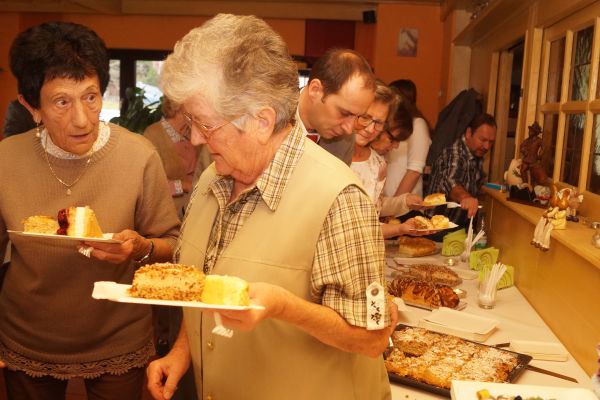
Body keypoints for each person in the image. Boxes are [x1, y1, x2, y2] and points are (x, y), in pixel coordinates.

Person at [146, 14, 397, 400]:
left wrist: (285, 307)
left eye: (206, 124)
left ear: (261, 122)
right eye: (192, 122)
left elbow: (373, 338)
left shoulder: (340, 199)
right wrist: (183, 351)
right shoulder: (212, 180)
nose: (195, 137)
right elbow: (205, 283)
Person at [0, 21, 180, 399]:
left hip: (118, 336)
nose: (82, 119)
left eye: (91, 97)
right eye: (62, 102)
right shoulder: (6, 160)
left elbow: (172, 243)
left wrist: (140, 248)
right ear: (31, 107)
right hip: (28, 337)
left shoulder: (138, 156)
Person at [351, 80, 423, 238]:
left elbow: (373, 213)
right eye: (365, 117)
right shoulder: (334, 153)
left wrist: (404, 205)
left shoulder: (378, 164)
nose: (370, 128)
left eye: (378, 123)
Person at [296, 48, 376, 165]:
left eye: (358, 116)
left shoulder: (344, 142)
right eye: (345, 113)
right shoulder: (273, 119)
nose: (349, 129)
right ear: (315, 90)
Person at [143, 97, 211, 220]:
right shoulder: (153, 134)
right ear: (179, 104)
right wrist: (186, 186)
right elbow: (150, 183)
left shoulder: (196, 132)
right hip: (170, 215)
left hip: (199, 209)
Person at [426, 113, 497, 227]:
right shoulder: (454, 153)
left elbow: (477, 187)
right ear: (469, 133)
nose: (487, 146)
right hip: (436, 227)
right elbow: (451, 182)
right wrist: (466, 198)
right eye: (483, 139)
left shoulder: (476, 154)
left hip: (456, 226)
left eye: (491, 142)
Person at [384, 79, 432, 198]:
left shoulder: (417, 124)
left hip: (404, 202)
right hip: (385, 200)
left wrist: (395, 203)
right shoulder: (390, 124)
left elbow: (414, 171)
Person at [519, 121, 548, 188]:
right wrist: (524, 151)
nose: (529, 132)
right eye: (529, 131)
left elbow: (544, 147)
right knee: (522, 170)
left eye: (531, 131)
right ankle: (525, 185)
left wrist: (540, 155)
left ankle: (533, 186)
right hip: (526, 160)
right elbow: (521, 146)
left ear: (535, 133)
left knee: (535, 174)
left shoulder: (538, 140)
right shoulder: (527, 140)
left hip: (533, 160)